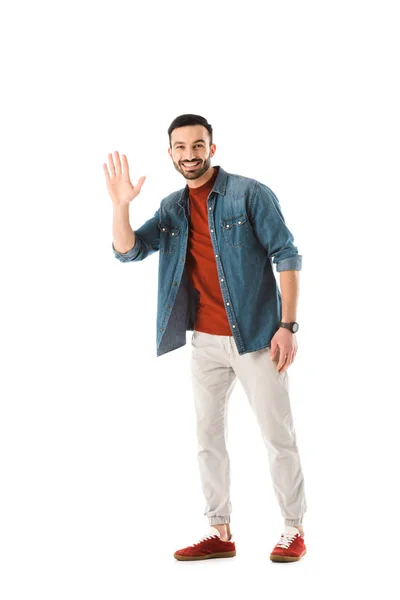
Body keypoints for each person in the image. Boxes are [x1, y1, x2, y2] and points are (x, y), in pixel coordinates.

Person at [105, 114, 307, 563]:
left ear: (211, 148)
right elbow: (129, 251)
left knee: (277, 435)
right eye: (180, 147)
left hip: (257, 339)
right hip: (204, 344)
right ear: (171, 153)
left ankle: (293, 529)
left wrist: (288, 326)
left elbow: (287, 255)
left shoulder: (249, 194)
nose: (189, 154)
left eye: (198, 145)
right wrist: (121, 205)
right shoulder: (173, 207)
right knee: (207, 438)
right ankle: (220, 531)